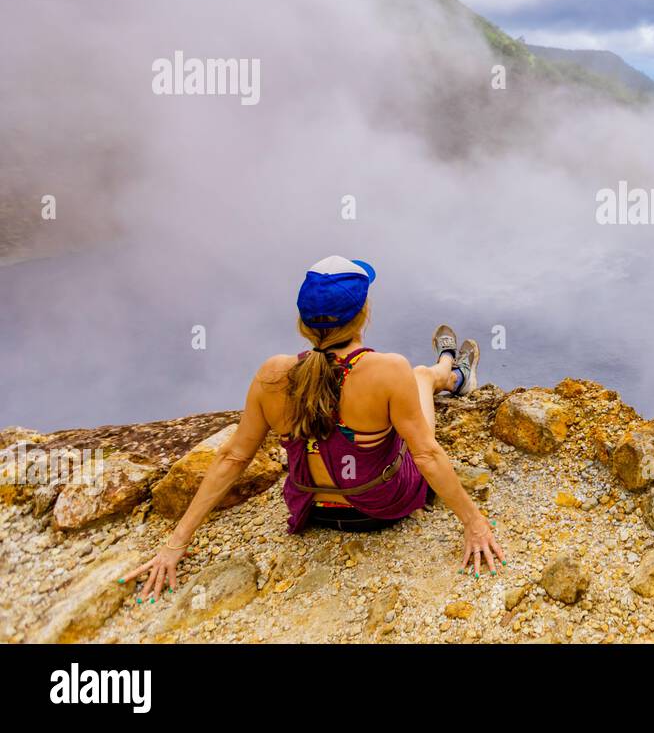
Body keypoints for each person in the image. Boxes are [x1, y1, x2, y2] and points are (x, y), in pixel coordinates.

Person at [124, 255, 505, 602]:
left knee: (408, 388)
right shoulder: (389, 370)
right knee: (419, 378)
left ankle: (450, 366)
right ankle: (451, 372)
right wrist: (475, 525)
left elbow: (233, 457)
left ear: (302, 323)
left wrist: (174, 546)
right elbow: (426, 454)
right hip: (380, 507)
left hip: (313, 510)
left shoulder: (273, 374)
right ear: (363, 315)